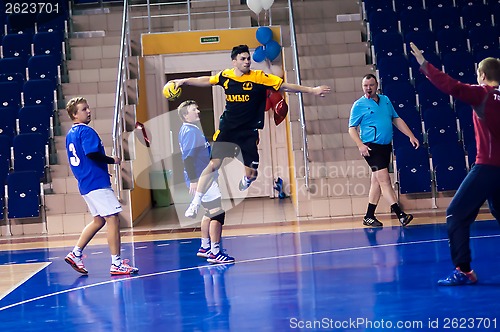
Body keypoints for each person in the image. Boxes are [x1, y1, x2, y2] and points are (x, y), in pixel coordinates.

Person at [172, 44, 331, 218]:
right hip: (228, 129)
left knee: (252, 173)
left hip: (248, 132)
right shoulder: (226, 76)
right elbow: (206, 80)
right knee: (213, 164)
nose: (247, 61)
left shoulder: (260, 77)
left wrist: (312, 90)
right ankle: (195, 203)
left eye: (248, 58)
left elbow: (285, 86)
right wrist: (184, 81)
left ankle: (246, 180)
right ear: (234, 62)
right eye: (243, 59)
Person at [410, 43, 500, 286]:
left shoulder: (482, 93)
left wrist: (424, 65)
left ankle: (463, 270)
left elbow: (451, 86)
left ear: (482, 76)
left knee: (456, 214)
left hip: (488, 166)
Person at [64, 97, 139, 275]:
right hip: (95, 182)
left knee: (99, 220)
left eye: (88, 108)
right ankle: (116, 263)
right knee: (113, 218)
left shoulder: (70, 135)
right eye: (83, 109)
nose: (88, 111)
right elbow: (91, 154)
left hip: (85, 183)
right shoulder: (86, 131)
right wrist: (112, 160)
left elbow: (82, 159)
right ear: (74, 115)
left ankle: (75, 254)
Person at [348, 74, 419, 227]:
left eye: (371, 85)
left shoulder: (385, 100)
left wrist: (410, 136)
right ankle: (400, 214)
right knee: (385, 180)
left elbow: (396, 119)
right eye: (365, 85)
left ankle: (369, 216)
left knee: (376, 181)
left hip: (385, 146)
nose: (368, 88)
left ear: (376, 85)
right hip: (371, 147)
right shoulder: (359, 105)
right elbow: (351, 129)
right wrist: (360, 145)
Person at [178, 100, 234, 264]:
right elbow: (187, 157)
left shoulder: (189, 130)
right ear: (185, 115)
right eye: (194, 110)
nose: (198, 111)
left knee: (210, 211)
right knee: (217, 212)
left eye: (197, 108)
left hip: (204, 177)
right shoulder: (190, 131)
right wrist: (195, 180)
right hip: (203, 178)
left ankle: (204, 247)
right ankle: (215, 252)